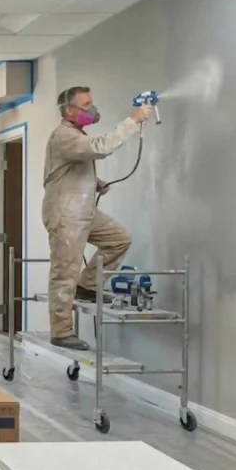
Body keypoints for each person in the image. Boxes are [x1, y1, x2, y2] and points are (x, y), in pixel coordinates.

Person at [43, 86, 153, 350]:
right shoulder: (64, 136)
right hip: (66, 214)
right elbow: (99, 147)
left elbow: (66, 171)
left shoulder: (74, 135)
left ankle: (88, 285)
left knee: (119, 239)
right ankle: (61, 331)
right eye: (87, 104)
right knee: (64, 271)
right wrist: (133, 121)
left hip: (82, 210)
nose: (92, 108)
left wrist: (95, 182)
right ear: (70, 110)